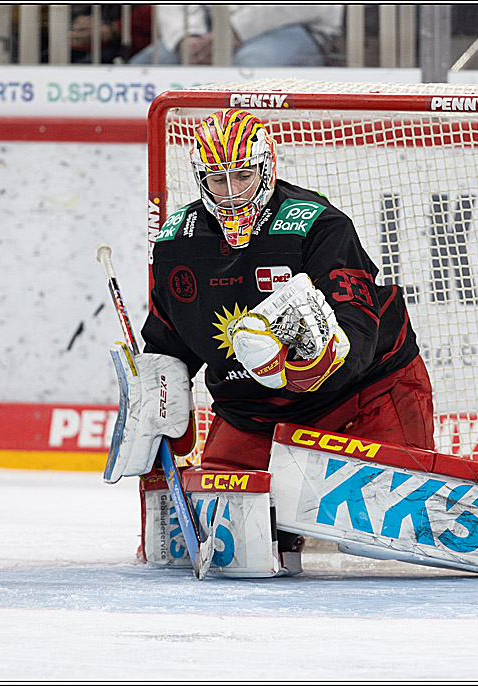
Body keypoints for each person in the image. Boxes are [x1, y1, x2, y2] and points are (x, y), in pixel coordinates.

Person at [127, 108, 434, 567]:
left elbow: (359, 327)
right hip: (252, 413)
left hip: (364, 394)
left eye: (243, 176)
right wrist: (156, 395)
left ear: (267, 168)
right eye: (217, 180)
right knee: (224, 547)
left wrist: (315, 362)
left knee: (398, 536)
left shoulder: (318, 225)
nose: (230, 194)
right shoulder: (176, 244)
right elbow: (169, 341)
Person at [128, 5, 342, 66]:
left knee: (250, 65)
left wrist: (236, 30)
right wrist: (186, 38)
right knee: (145, 65)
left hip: (299, 27)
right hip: (210, 30)